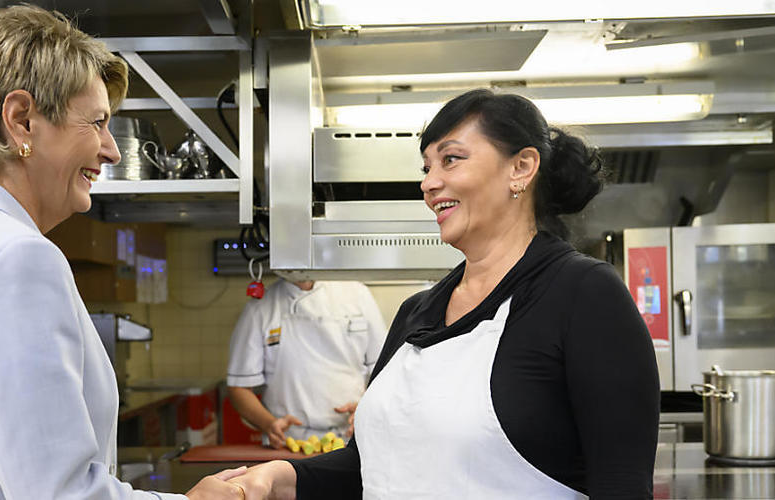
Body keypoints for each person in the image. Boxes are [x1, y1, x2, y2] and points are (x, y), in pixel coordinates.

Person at [0, 6, 245, 499]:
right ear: (22, 121)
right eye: (95, 123)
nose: (111, 150)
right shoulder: (15, 260)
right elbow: (60, 493)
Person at [229, 89, 661, 499]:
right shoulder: (416, 312)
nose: (429, 184)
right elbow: (368, 469)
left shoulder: (584, 295)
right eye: (426, 168)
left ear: (521, 168)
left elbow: (621, 487)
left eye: (451, 160)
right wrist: (267, 479)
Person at [226, 279, 387, 448]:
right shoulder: (260, 307)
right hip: (288, 443)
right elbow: (239, 387)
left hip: (351, 438)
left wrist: (366, 409)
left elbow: (387, 371)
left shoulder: (358, 294)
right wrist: (269, 424)